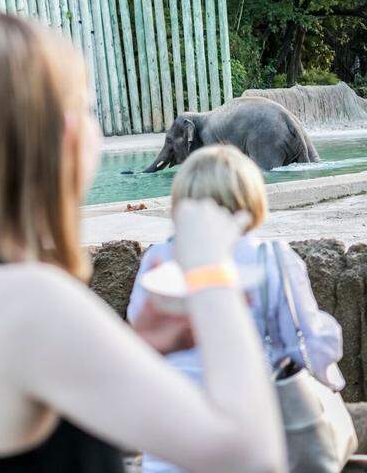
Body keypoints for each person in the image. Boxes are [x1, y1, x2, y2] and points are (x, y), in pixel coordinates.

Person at [0, 13, 285, 472]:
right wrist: (209, 269)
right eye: (88, 109)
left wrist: (137, 349)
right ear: (63, 135)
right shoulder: (24, 302)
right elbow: (254, 459)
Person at [127, 144, 346, 473]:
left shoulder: (157, 259)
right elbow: (308, 342)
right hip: (254, 434)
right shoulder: (272, 258)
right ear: (251, 197)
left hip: (169, 436)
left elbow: (139, 333)